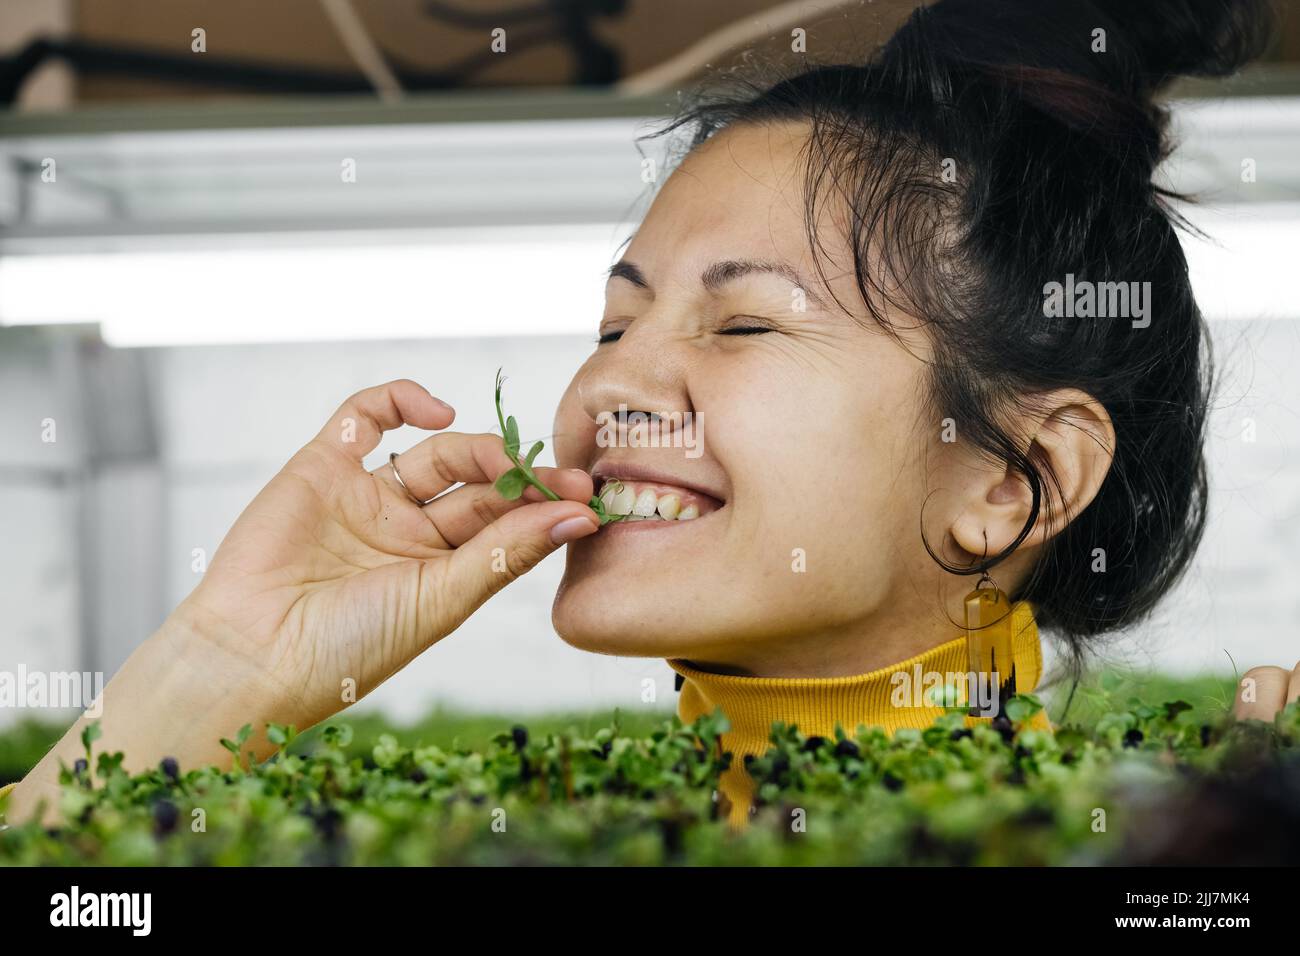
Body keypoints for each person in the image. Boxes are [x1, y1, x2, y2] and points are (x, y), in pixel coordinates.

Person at [3, 0, 1293, 831]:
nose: (607, 387)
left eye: (744, 325)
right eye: (616, 324)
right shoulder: (518, 825)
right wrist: (216, 675)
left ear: (1017, 480)